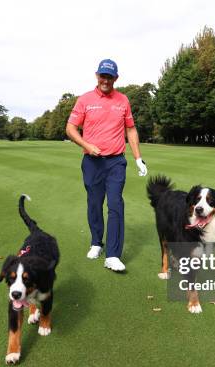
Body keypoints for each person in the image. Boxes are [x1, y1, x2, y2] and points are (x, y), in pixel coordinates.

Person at [65, 59, 147, 272]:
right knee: (94, 203)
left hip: (116, 162)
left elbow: (131, 129)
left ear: (115, 78)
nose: (105, 80)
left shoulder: (123, 100)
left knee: (115, 204)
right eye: (102, 76)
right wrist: (86, 144)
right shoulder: (85, 100)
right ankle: (95, 242)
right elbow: (71, 128)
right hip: (92, 162)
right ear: (97, 76)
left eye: (109, 77)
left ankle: (112, 255)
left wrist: (138, 158)